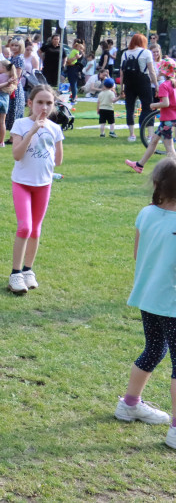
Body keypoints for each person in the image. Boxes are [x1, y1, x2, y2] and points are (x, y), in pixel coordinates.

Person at [112, 157, 176, 448]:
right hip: (171, 303)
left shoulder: (146, 213)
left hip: (149, 298)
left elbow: (139, 255)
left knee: (154, 348)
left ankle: (130, 404)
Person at [8, 84, 65, 295]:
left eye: (49, 103)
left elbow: (58, 161)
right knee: (24, 227)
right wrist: (32, 131)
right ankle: (15, 274)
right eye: (40, 102)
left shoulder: (55, 128)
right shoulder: (21, 124)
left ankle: (27, 270)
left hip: (43, 184)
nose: (44, 107)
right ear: (30, 103)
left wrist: (55, 140)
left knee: (36, 229)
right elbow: (17, 154)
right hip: (22, 183)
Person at [127, 59, 176, 172]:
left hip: (167, 120)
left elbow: (166, 103)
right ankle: (139, 165)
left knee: (169, 148)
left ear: (163, 70)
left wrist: (153, 104)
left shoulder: (164, 85)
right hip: (172, 118)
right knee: (154, 141)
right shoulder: (174, 84)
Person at [122, 34, 158, 142]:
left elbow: (122, 72)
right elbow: (151, 71)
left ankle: (132, 134)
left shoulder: (125, 53)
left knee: (130, 108)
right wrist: (156, 85)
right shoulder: (146, 52)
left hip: (129, 83)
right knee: (148, 107)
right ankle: (150, 134)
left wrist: (122, 87)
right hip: (143, 81)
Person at [0, 59, 18, 147]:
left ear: (3, 68)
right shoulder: (11, 77)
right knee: (2, 122)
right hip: (5, 102)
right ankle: (1, 142)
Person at [64, 39, 84, 103]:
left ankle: (74, 97)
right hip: (70, 68)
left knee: (73, 83)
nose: (74, 45)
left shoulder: (78, 53)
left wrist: (71, 60)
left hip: (74, 68)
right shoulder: (73, 51)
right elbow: (68, 61)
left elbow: (70, 61)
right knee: (72, 83)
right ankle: (73, 96)